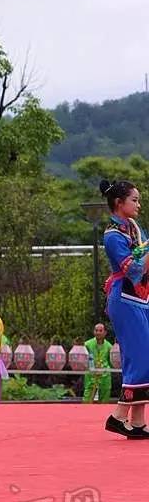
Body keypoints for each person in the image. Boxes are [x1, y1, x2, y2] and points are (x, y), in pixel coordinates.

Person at [99, 180, 149, 439]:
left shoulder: (133, 228)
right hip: (125, 299)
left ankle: (138, 421)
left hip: (141, 298)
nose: (138, 205)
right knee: (140, 357)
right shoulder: (113, 235)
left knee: (145, 356)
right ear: (120, 203)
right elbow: (134, 268)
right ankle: (119, 416)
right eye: (134, 200)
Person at [83, 323, 113, 404]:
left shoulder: (109, 346)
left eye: (100, 331)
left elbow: (111, 362)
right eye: (96, 330)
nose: (98, 333)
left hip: (105, 375)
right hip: (91, 375)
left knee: (104, 399)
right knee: (87, 399)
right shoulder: (87, 345)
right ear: (93, 332)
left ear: (105, 332)